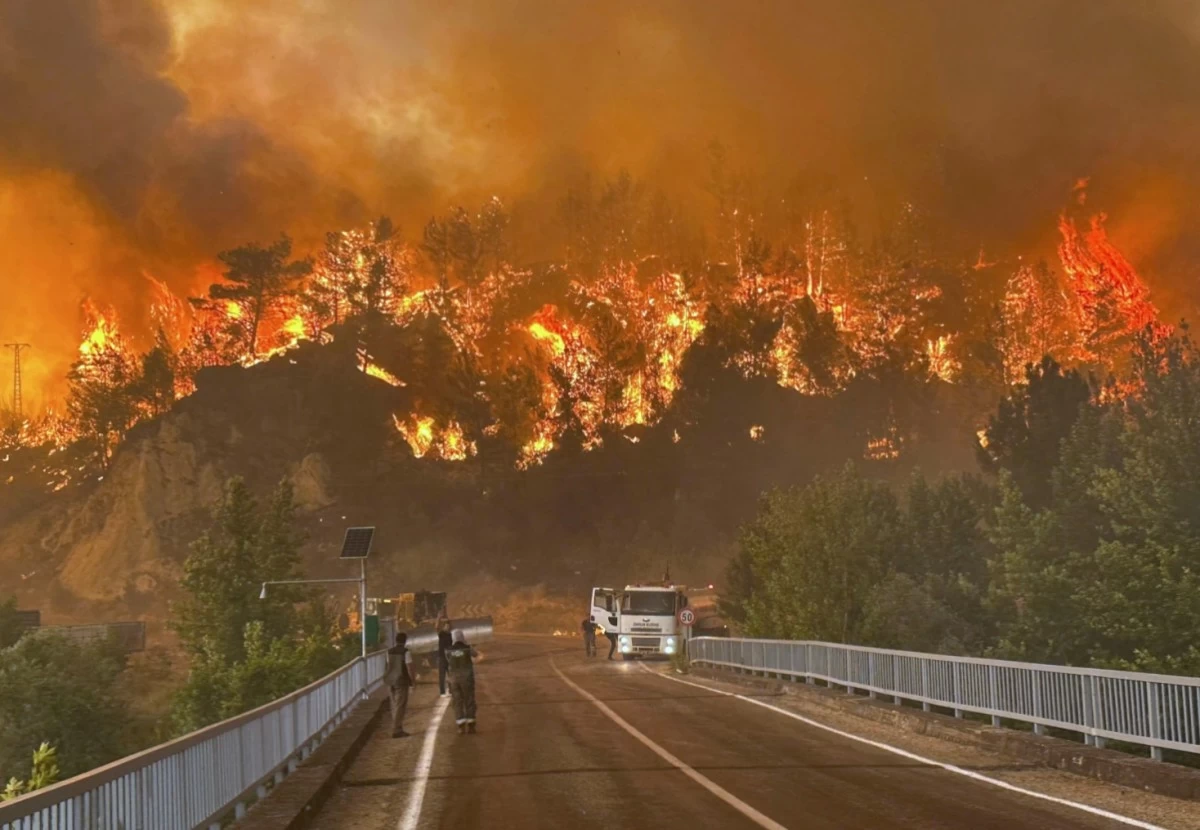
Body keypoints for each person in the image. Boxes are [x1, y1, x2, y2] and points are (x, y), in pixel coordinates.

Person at [445, 629, 479, 734]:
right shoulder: (468, 648)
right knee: (469, 700)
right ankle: (471, 725)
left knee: (457, 702)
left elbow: (448, 661)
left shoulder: (448, 650)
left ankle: (460, 726)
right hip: (467, 678)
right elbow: (476, 654)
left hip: (454, 679)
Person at [385, 631, 415, 738]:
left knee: (394, 705)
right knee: (400, 705)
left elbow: (389, 666)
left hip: (390, 680)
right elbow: (409, 668)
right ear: (405, 641)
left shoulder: (389, 651)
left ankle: (397, 727)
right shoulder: (406, 652)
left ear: (396, 640)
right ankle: (397, 729)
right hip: (401, 681)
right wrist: (412, 681)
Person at [436, 618, 453, 697]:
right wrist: (438, 619)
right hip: (442, 657)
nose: (448, 627)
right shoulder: (441, 634)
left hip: (449, 658)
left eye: (448, 626)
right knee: (442, 675)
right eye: (446, 626)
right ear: (444, 627)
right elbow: (436, 627)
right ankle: (442, 692)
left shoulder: (451, 635)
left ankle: (451, 690)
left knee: (450, 674)